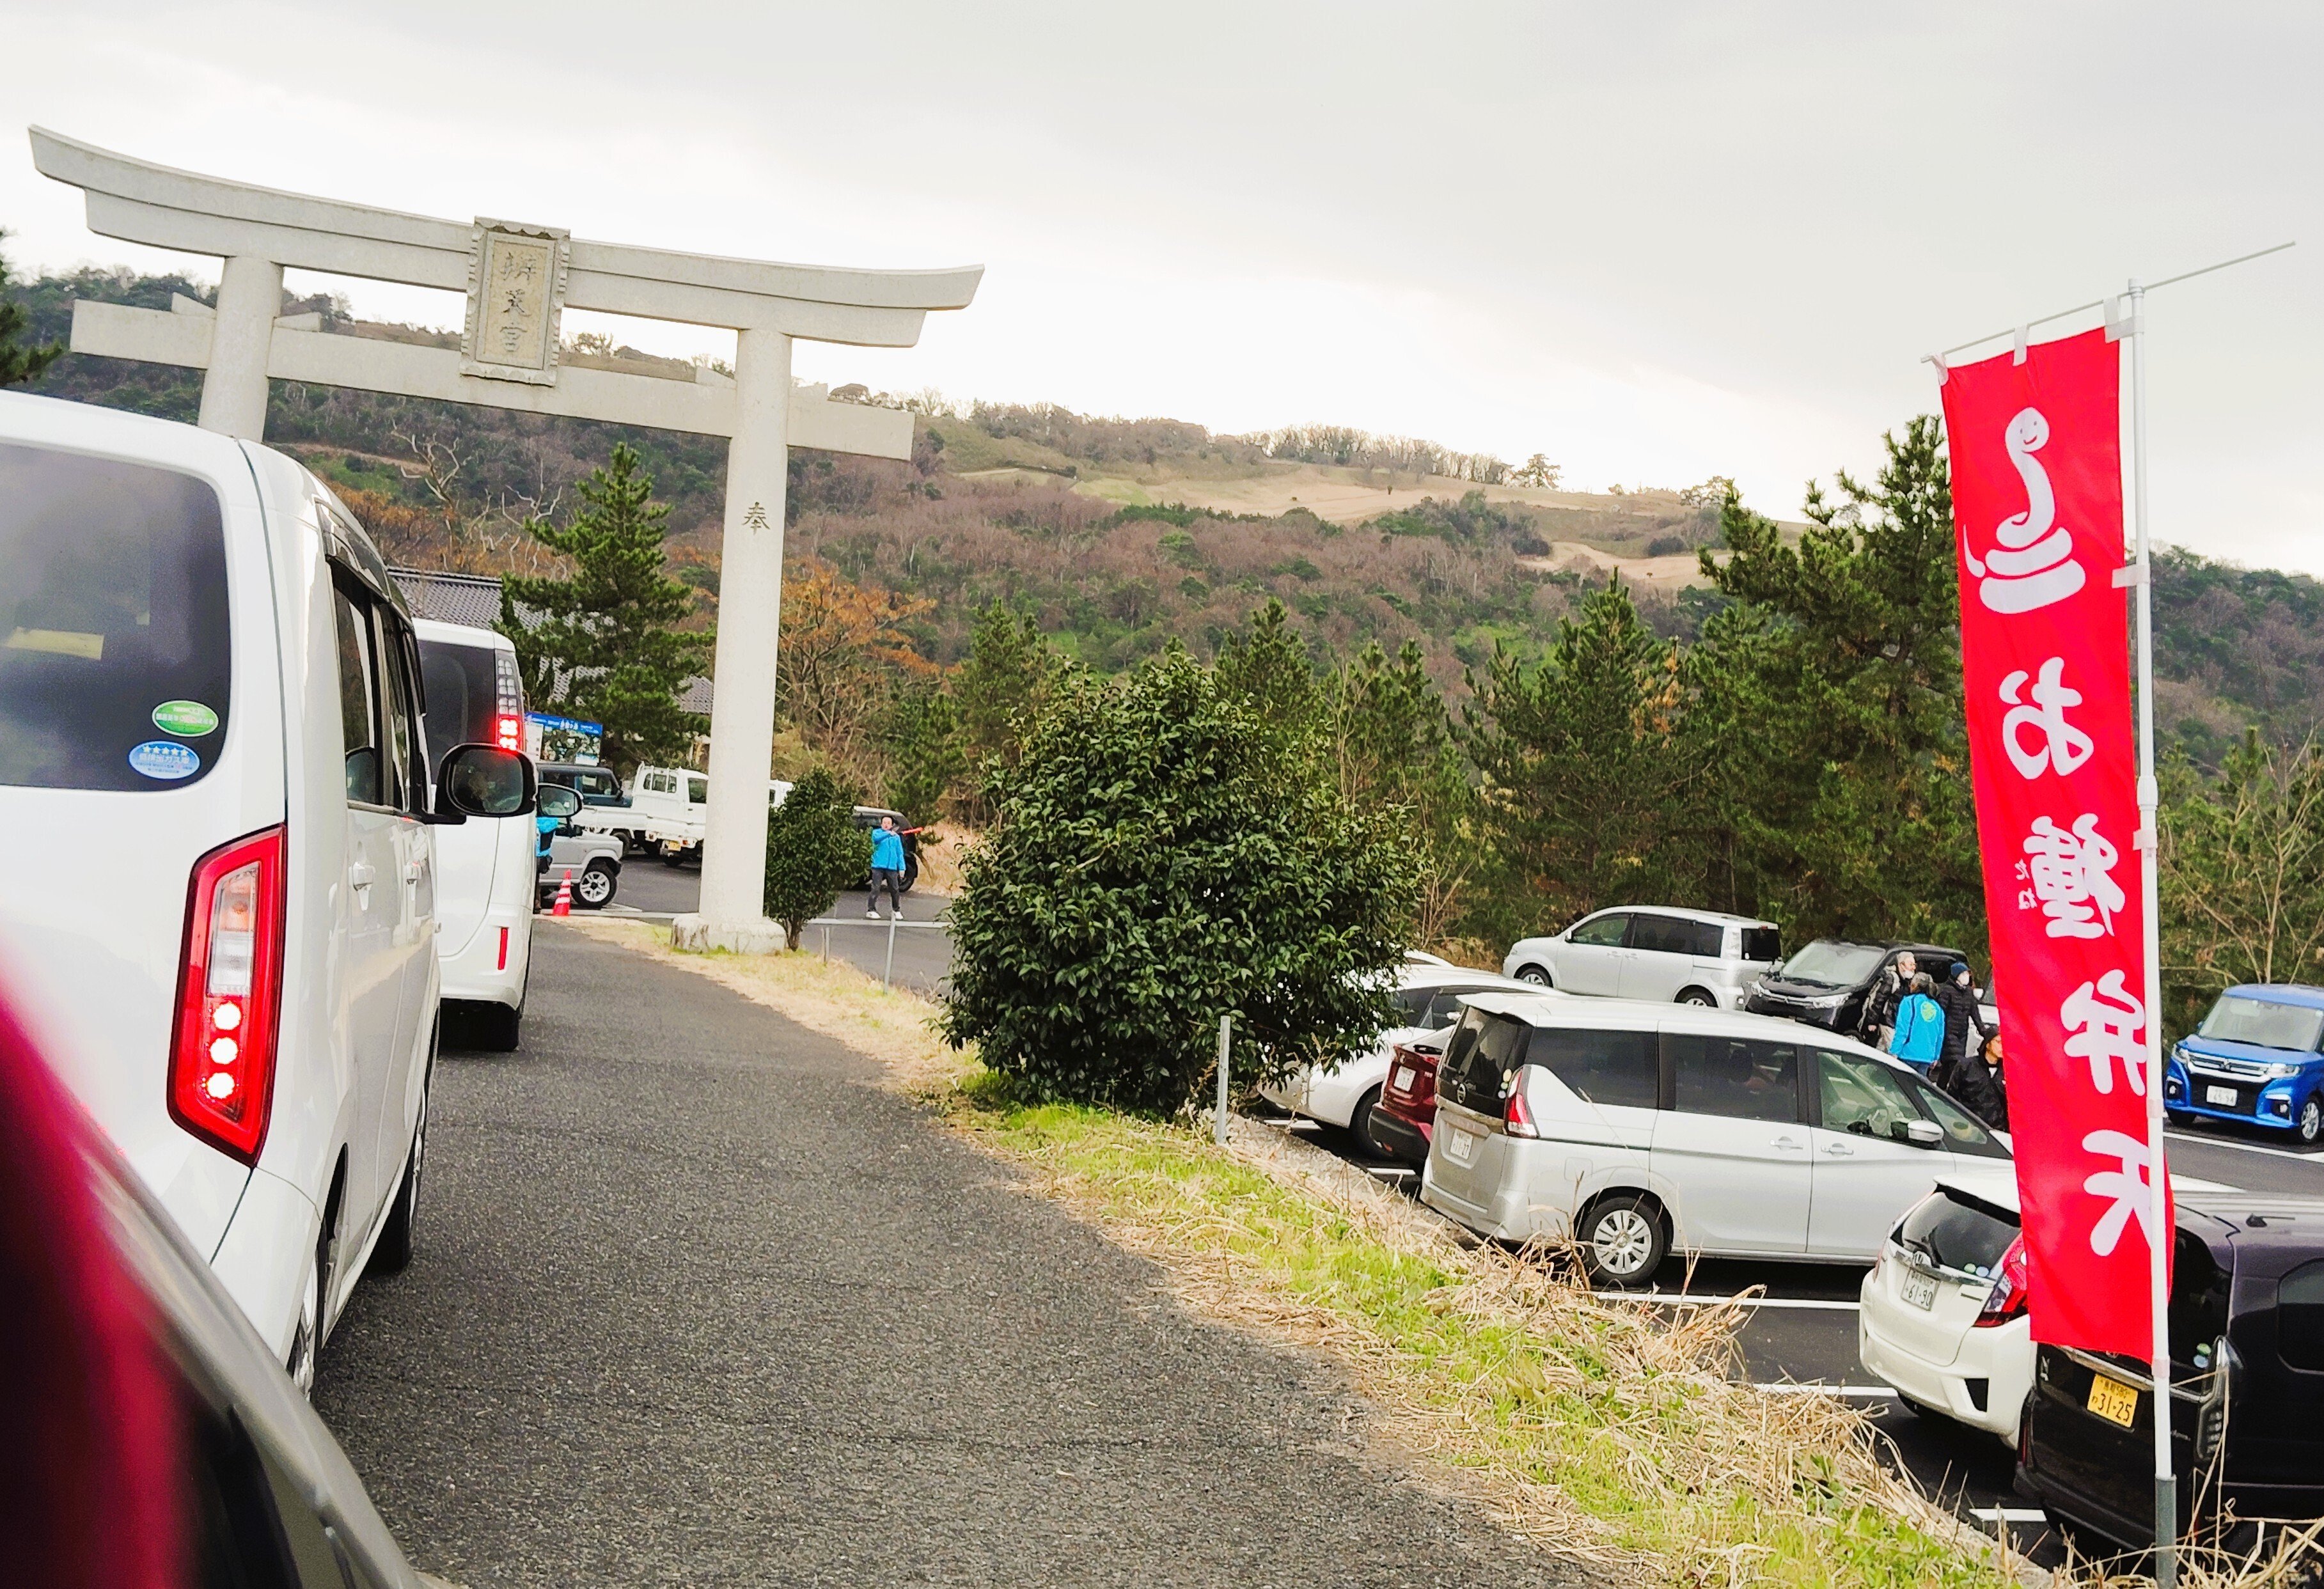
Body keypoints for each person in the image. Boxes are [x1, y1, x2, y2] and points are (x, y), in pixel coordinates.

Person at [1931, 960, 1995, 1090]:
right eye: (1964, 973)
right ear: (1957, 975)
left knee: (1948, 1067)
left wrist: (1986, 1033)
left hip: (1962, 1035)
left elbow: (1975, 1014)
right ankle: (1955, 1092)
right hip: (1949, 1034)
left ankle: (1940, 1089)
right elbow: (1940, 1014)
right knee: (1956, 1062)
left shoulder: (1968, 993)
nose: (1967, 976)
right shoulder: (1947, 991)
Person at [1951, 1032, 2009, 1130]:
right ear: (1988, 1044)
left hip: (1996, 1130)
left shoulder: (2008, 1072)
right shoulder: (1966, 1066)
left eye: (2006, 1043)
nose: (2002, 1047)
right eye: (1999, 1042)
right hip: (1968, 1125)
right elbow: (1952, 1096)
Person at [1887, 975, 1944, 1074]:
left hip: (1908, 1053)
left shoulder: (1909, 1002)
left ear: (1915, 985)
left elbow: (1902, 1029)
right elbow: (1940, 1035)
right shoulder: (1938, 1008)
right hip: (1927, 1056)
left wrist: (1894, 1052)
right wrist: (1936, 1056)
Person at [866, 814, 915, 920]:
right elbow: (876, 840)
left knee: (895, 889)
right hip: (878, 866)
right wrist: (888, 834)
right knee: (876, 888)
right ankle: (871, 909)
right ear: (881, 824)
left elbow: (899, 853)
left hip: (892, 867)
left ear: (892, 825)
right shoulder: (877, 833)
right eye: (884, 823)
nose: (886, 825)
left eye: (888, 823)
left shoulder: (896, 838)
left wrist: (902, 868)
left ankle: (896, 909)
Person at [1865, 951, 1918, 1049]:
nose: (1914, 968)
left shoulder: (1906, 981)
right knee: (1891, 1050)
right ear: (1901, 965)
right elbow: (1879, 1000)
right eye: (1911, 964)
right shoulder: (1892, 978)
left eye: (1914, 965)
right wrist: (1872, 1022)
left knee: (1882, 1049)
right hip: (1887, 1021)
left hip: (1895, 1023)